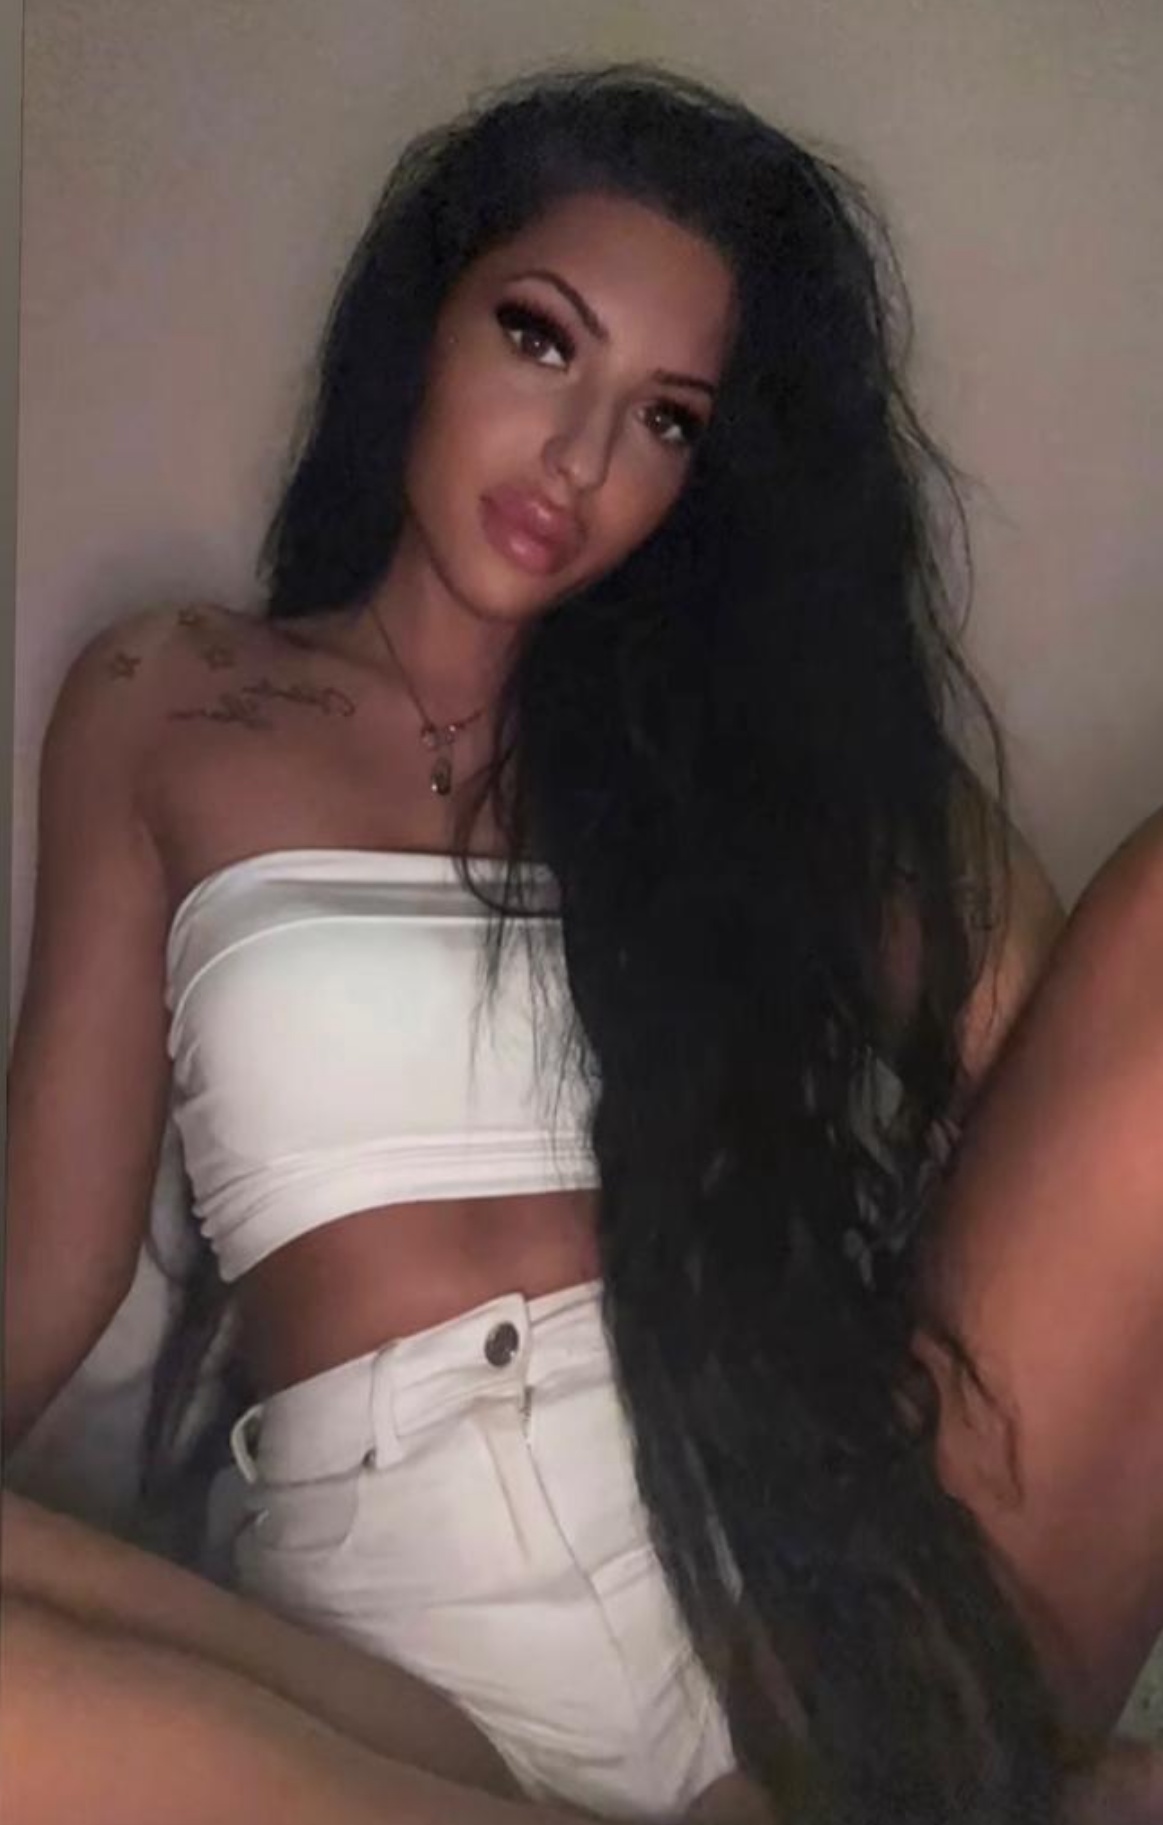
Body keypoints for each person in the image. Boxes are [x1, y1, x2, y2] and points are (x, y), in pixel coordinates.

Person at [5, 62, 1163, 1825]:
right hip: (404, 1696)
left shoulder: (704, 764)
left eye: (669, 421)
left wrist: (821, 729)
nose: (581, 459)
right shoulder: (166, 700)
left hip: (799, 1601)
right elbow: (43, 1270)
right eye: (542, 339)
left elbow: (1062, 1069)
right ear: (427, 317)